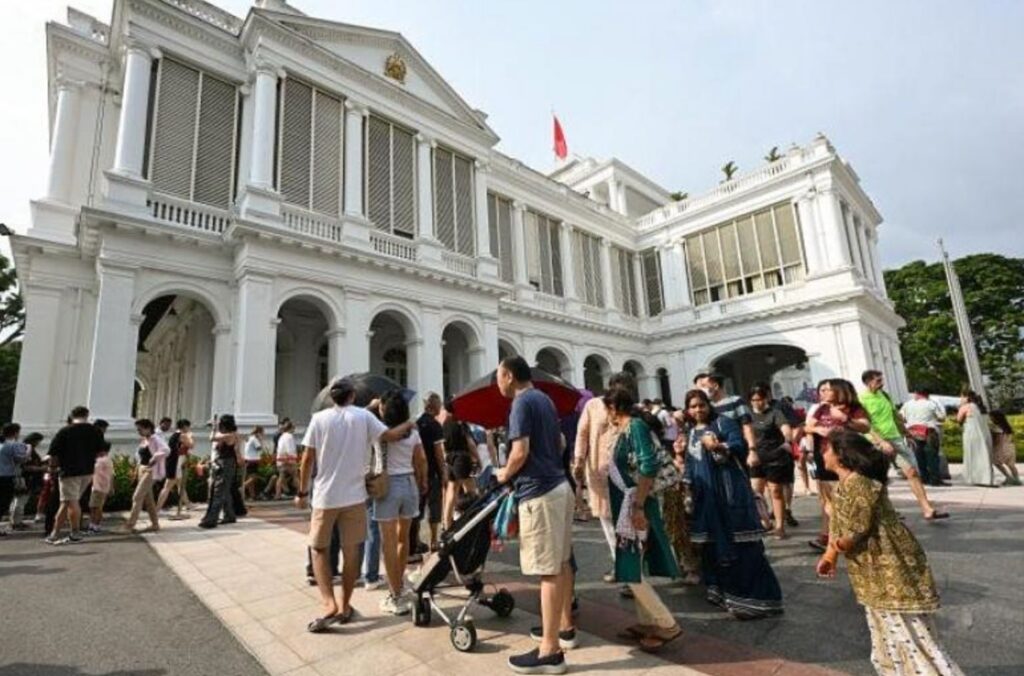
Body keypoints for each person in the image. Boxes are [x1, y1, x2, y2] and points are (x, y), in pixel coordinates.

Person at [816, 430, 964, 676]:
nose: (822, 454)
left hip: (889, 562)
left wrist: (837, 546)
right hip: (872, 568)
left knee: (909, 631)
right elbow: (838, 526)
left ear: (841, 455)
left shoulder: (860, 483)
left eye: (826, 449)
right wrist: (829, 556)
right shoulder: (844, 485)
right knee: (887, 629)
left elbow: (856, 529)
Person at [296, 378, 415, 632]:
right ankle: (346, 603)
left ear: (332, 397)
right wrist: (411, 421)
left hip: (324, 497)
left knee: (319, 549)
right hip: (354, 496)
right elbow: (392, 435)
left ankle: (329, 603)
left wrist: (302, 491)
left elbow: (307, 458)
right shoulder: (363, 417)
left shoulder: (319, 419)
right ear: (352, 396)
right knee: (352, 552)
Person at [496, 356, 573, 675]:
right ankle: (564, 628)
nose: (498, 382)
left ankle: (550, 651)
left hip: (539, 492)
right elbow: (558, 441)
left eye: (499, 376)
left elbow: (520, 451)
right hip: (559, 485)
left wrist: (503, 474)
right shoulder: (544, 398)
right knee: (562, 561)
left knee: (548, 571)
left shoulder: (521, 404)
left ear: (509, 375)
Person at [682, 388, 783, 619]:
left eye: (701, 405)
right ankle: (722, 592)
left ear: (709, 405)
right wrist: (687, 489)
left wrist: (718, 446)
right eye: (693, 406)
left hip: (729, 493)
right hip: (705, 498)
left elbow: (739, 445)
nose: (698, 410)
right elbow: (690, 462)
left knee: (741, 545)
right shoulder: (690, 432)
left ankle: (758, 600)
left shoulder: (723, 424)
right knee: (711, 546)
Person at [603, 387, 682, 651]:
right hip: (628, 503)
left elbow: (648, 465)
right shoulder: (626, 429)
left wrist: (638, 506)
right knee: (631, 562)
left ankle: (666, 622)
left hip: (635, 504)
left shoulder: (634, 427)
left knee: (628, 563)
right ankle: (648, 621)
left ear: (613, 408)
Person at [860, 370, 948, 521]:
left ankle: (927, 509)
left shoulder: (885, 395)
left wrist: (906, 433)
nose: (882, 383)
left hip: (896, 438)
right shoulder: (861, 399)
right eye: (878, 381)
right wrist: (881, 441)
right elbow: (865, 424)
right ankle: (886, 512)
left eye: (882, 380)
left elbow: (895, 416)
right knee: (879, 478)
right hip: (875, 441)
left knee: (912, 472)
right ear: (868, 382)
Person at [574, 371, 634, 583]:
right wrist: (579, 460)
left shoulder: (631, 410)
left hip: (627, 475)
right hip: (599, 474)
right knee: (608, 521)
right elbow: (582, 433)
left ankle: (629, 568)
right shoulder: (593, 406)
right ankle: (621, 565)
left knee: (626, 521)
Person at [371, 390, 427, 615]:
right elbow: (420, 459)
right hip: (409, 483)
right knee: (403, 539)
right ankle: (400, 584)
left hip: (388, 486)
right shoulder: (413, 433)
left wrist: (375, 405)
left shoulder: (379, 431)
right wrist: (422, 482)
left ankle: (395, 593)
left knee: (388, 543)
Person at [804, 379, 872, 551]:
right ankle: (828, 536)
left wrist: (844, 419)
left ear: (839, 391)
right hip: (825, 456)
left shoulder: (854, 408)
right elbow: (808, 426)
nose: (823, 392)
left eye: (828, 390)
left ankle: (851, 533)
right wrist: (818, 430)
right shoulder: (821, 408)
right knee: (827, 499)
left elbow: (865, 427)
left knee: (848, 495)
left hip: (847, 457)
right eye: (823, 389)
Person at [46, 406, 106, 545]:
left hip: (69, 471)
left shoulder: (65, 431)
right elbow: (101, 452)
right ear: (87, 415)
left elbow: (53, 454)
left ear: (72, 415)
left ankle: (75, 533)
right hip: (87, 471)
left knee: (71, 502)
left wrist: (52, 468)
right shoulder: (95, 430)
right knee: (66, 502)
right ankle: (54, 533)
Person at [747, 384, 795, 539]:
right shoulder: (747, 417)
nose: (757, 403)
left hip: (775, 456)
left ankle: (780, 526)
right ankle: (764, 522)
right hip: (755, 458)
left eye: (760, 399)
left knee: (775, 490)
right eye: (754, 400)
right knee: (757, 493)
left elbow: (786, 429)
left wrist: (787, 439)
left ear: (766, 399)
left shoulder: (775, 413)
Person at [412, 392, 446, 557]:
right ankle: (434, 540)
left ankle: (417, 540)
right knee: (434, 506)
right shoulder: (435, 425)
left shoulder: (417, 424)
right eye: (439, 404)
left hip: (416, 472)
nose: (441, 407)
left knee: (417, 509)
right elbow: (438, 453)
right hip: (432, 472)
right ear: (433, 406)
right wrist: (444, 472)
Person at [121, 418, 168, 533]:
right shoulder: (144, 440)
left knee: (137, 496)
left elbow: (166, 450)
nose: (139, 432)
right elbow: (140, 456)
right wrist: (136, 468)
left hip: (150, 471)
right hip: (142, 469)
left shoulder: (155, 439)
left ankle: (130, 525)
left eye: (140, 429)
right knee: (148, 499)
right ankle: (155, 524)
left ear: (148, 428)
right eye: (138, 430)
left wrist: (154, 458)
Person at [694, 373, 756, 455]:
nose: (701, 391)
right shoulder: (707, 407)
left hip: (738, 451)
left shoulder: (736, 401)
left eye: (704, 386)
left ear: (715, 385)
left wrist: (752, 450)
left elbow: (747, 426)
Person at [199, 415, 243, 529]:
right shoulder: (234, 434)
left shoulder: (229, 435)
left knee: (218, 491)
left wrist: (214, 427)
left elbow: (212, 438)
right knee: (225, 490)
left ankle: (211, 519)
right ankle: (229, 515)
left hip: (225, 463)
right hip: (227, 463)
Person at [441, 399, 478, 529]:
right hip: (462, 458)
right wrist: (477, 458)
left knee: (452, 491)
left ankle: (447, 523)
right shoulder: (461, 424)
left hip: (450, 459)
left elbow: (442, 445)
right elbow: (470, 443)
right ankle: (472, 519)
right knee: (471, 491)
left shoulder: (444, 424)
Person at [900, 389, 948, 487]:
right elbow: (941, 417)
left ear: (917, 393)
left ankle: (924, 478)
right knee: (932, 456)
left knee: (918, 456)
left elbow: (900, 416)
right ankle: (935, 479)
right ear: (927, 394)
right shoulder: (931, 404)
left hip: (913, 432)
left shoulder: (907, 404)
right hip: (928, 432)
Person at [957, 390, 995, 487]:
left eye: (961, 397)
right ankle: (986, 478)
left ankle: (974, 478)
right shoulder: (982, 407)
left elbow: (958, 419)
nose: (960, 399)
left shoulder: (966, 407)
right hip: (985, 434)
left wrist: (960, 406)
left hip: (972, 433)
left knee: (972, 455)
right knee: (984, 456)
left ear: (967, 397)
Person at [156, 419, 193, 516]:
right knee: (167, 486)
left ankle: (188, 504)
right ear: (184, 426)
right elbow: (191, 445)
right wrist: (190, 436)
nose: (189, 429)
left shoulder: (175, 435)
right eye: (188, 427)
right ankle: (157, 508)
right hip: (175, 463)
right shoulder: (182, 435)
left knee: (180, 484)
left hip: (174, 462)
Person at [10, 432, 45, 530]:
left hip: (25, 478)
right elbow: (26, 467)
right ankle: (16, 522)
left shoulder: (25, 448)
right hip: (25, 479)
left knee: (19, 501)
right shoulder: (27, 450)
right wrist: (41, 469)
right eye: (38, 441)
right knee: (20, 501)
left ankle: (16, 521)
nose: (39, 443)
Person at [1, 424, 29, 535]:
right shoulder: (12, 445)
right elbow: (22, 459)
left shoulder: (2, 444)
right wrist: (28, 450)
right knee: (3, 502)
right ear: (15, 433)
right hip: (6, 476)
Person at [989, 411, 1021, 486]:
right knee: (1011, 464)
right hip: (1010, 447)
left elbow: (998, 441)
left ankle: (1008, 477)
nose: (990, 418)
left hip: (1001, 448)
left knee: (996, 463)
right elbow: (1012, 438)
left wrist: (992, 445)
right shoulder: (1007, 427)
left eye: (991, 417)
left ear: (996, 418)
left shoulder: (996, 428)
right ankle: (1017, 479)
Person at [87, 445, 113, 533]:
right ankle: (93, 524)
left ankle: (95, 525)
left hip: (99, 487)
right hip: (99, 486)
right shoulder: (107, 460)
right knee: (94, 506)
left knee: (96, 507)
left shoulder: (102, 460)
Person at [242, 426, 265, 501]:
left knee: (250, 479)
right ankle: (240, 489)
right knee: (253, 478)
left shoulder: (249, 438)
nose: (263, 434)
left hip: (248, 460)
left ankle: (252, 496)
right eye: (262, 432)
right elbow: (259, 448)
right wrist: (261, 440)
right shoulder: (255, 439)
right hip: (253, 460)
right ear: (259, 432)